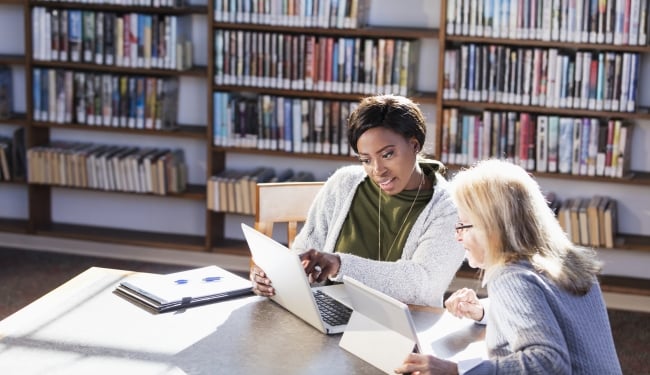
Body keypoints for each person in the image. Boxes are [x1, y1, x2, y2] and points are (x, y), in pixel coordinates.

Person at [395, 159, 622, 374]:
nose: (458, 236)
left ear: (492, 227)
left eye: (463, 224)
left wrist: (456, 371)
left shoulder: (511, 278)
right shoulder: (567, 261)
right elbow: (554, 311)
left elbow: (549, 363)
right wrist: (486, 311)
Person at [250, 94, 465, 307]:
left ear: (415, 145)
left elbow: (425, 286)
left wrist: (339, 265)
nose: (377, 170)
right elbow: (304, 253)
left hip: (402, 330)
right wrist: (274, 279)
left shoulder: (451, 208)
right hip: (329, 314)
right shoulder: (343, 183)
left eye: (388, 154)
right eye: (366, 159)